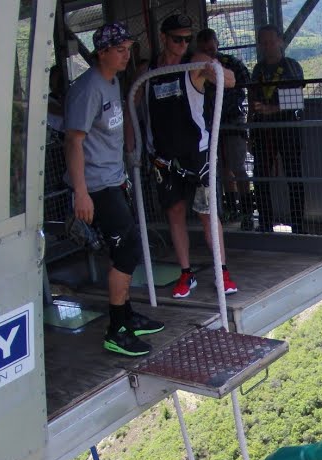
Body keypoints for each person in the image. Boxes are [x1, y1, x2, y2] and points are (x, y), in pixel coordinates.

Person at [64, 22, 165, 357]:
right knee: (127, 248)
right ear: (102, 52)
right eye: (119, 49)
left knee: (127, 248)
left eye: (128, 48)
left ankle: (125, 316)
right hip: (95, 186)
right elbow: (73, 142)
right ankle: (116, 328)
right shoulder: (89, 87)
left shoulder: (111, 82)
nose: (126, 55)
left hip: (112, 179)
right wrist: (80, 192)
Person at [142, 13, 239, 299]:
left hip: (196, 153)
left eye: (187, 38)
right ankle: (186, 273)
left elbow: (229, 81)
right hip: (163, 155)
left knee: (207, 213)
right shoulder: (147, 70)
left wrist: (214, 69)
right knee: (175, 213)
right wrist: (134, 143)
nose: (183, 44)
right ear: (163, 38)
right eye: (177, 39)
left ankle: (222, 271)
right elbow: (133, 102)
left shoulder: (194, 64)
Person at [195, 28, 255, 230]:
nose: (209, 53)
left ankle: (247, 211)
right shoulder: (196, 67)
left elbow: (246, 84)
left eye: (211, 48)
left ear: (217, 44)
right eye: (205, 50)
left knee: (238, 166)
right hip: (209, 125)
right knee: (221, 168)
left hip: (232, 121)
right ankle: (231, 208)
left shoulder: (231, 64)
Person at [249, 24, 306, 233]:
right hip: (262, 131)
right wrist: (250, 126)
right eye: (263, 42)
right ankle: (265, 224)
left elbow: (296, 100)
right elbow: (252, 96)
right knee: (261, 177)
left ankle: (298, 225)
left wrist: (270, 109)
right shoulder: (258, 69)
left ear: (280, 41)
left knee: (294, 176)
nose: (267, 46)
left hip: (287, 129)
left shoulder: (291, 66)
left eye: (270, 41)